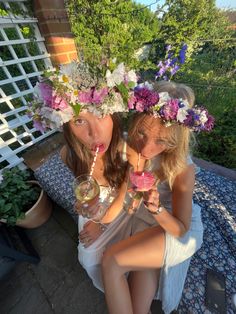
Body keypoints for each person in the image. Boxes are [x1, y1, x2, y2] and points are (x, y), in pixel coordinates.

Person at [101, 81, 214, 314]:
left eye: (160, 141)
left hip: (172, 226)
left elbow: (181, 229)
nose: (146, 147)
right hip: (146, 223)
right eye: (142, 132)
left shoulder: (183, 170)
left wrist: (156, 208)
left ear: (174, 140)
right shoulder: (130, 143)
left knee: (112, 261)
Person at [28, 61, 138, 291]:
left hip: (127, 202)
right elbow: (85, 190)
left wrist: (100, 224)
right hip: (100, 206)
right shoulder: (69, 154)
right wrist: (84, 204)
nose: (94, 134)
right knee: (87, 258)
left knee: (118, 256)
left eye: (101, 115)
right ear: (66, 125)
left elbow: (129, 197)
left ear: (114, 116)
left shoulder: (130, 150)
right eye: (79, 120)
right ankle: (115, 289)